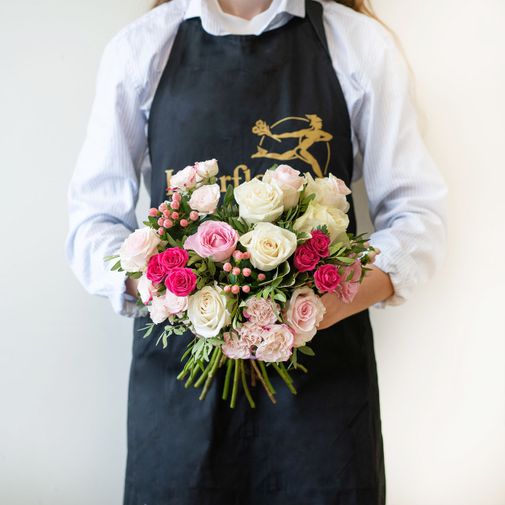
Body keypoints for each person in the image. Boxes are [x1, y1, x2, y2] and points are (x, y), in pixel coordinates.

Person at [64, 0, 448, 503]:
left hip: (322, 399)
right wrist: (176, 294)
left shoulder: (358, 44)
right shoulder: (141, 49)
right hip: (180, 391)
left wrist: (332, 300)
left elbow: (417, 217)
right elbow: (92, 224)